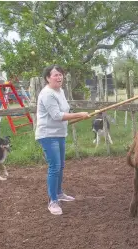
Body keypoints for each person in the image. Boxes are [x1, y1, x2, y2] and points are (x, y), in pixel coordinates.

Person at [35, 64, 90, 215]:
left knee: (61, 166)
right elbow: (57, 116)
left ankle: (59, 193)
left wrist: (77, 115)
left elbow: (63, 112)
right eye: (55, 75)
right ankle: (53, 201)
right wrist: (80, 114)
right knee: (54, 167)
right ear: (47, 78)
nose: (59, 77)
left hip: (59, 133)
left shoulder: (60, 91)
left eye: (60, 75)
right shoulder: (47, 94)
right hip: (48, 135)